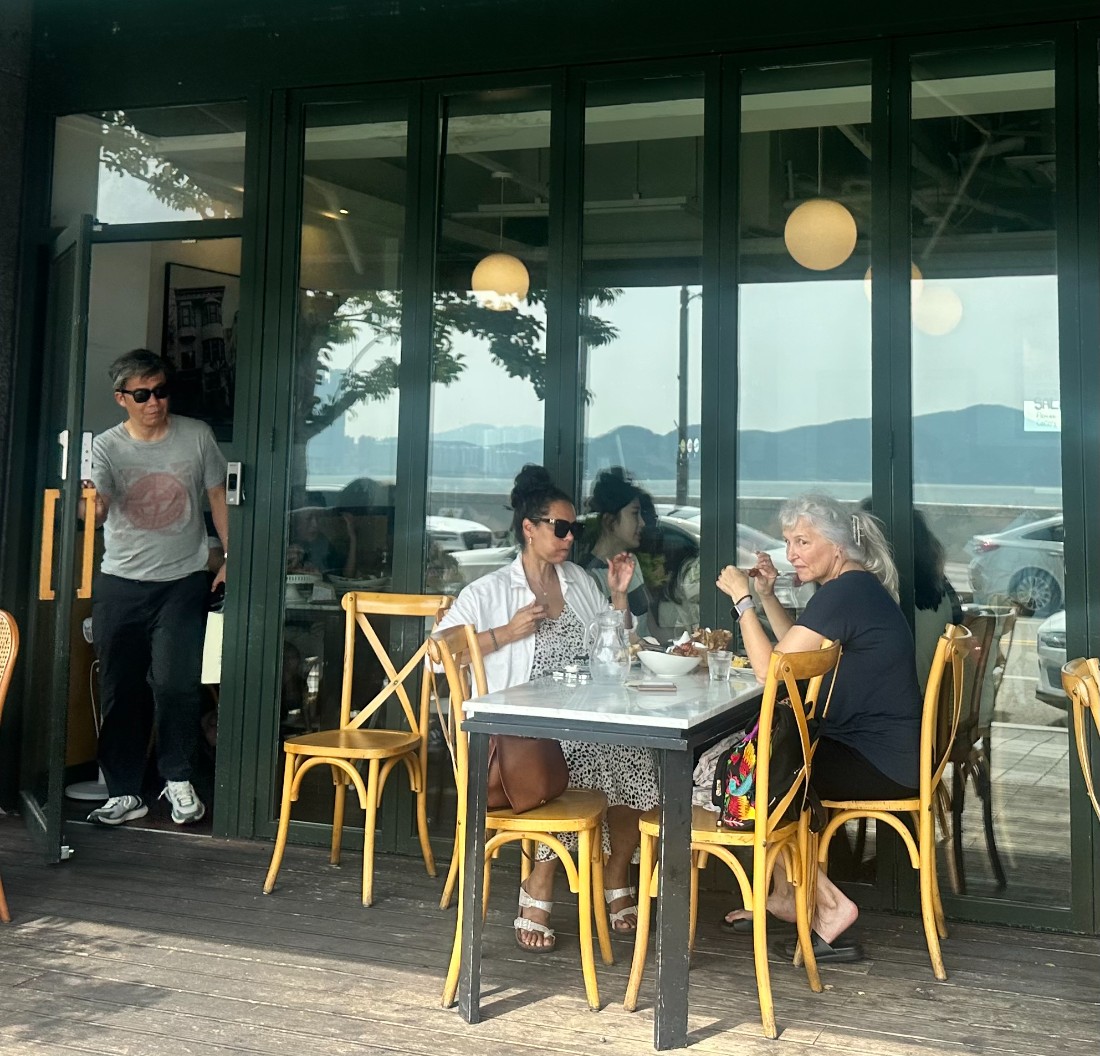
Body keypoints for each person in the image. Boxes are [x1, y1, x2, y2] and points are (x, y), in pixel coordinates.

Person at [436, 464, 658, 950]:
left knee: (636, 752)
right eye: (560, 528)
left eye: (573, 528)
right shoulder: (491, 591)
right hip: (521, 735)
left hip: (585, 715)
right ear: (529, 528)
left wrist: (618, 595)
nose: (569, 538)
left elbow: (614, 644)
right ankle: (540, 881)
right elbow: (437, 652)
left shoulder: (577, 580)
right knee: (580, 754)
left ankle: (616, 874)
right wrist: (505, 633)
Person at [715, 493, 922, 963]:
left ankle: (828, 906)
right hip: (887, 753)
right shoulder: (854, 588)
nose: (791, 554)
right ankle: (788, 896)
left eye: (803, 542)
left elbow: (772, 671)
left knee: (760, 776)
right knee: (771, 763)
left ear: (838, 546)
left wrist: (743, 601)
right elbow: (799, 653)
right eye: (788, 542)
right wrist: (767, 596)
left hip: (878, 763)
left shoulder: (845, 593)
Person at [83, 349, 228, 827]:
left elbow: (218, 496)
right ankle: (124, 791)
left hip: (182, 579)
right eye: (142, 395)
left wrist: (231, 558)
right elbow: (96, 506)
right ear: (121, 398)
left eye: (161, 391)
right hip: (120, 581)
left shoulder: (197, 435)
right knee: (121, 687)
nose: (154, 402)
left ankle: (178, 778)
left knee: (175, 683)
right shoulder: (106, 447)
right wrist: (90, 507)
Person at [584, 467, 653, 635]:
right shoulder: (589, 576)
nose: (642, 523)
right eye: (634, 514)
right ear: (610, 520)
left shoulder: (631, 563)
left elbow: (651, 627)